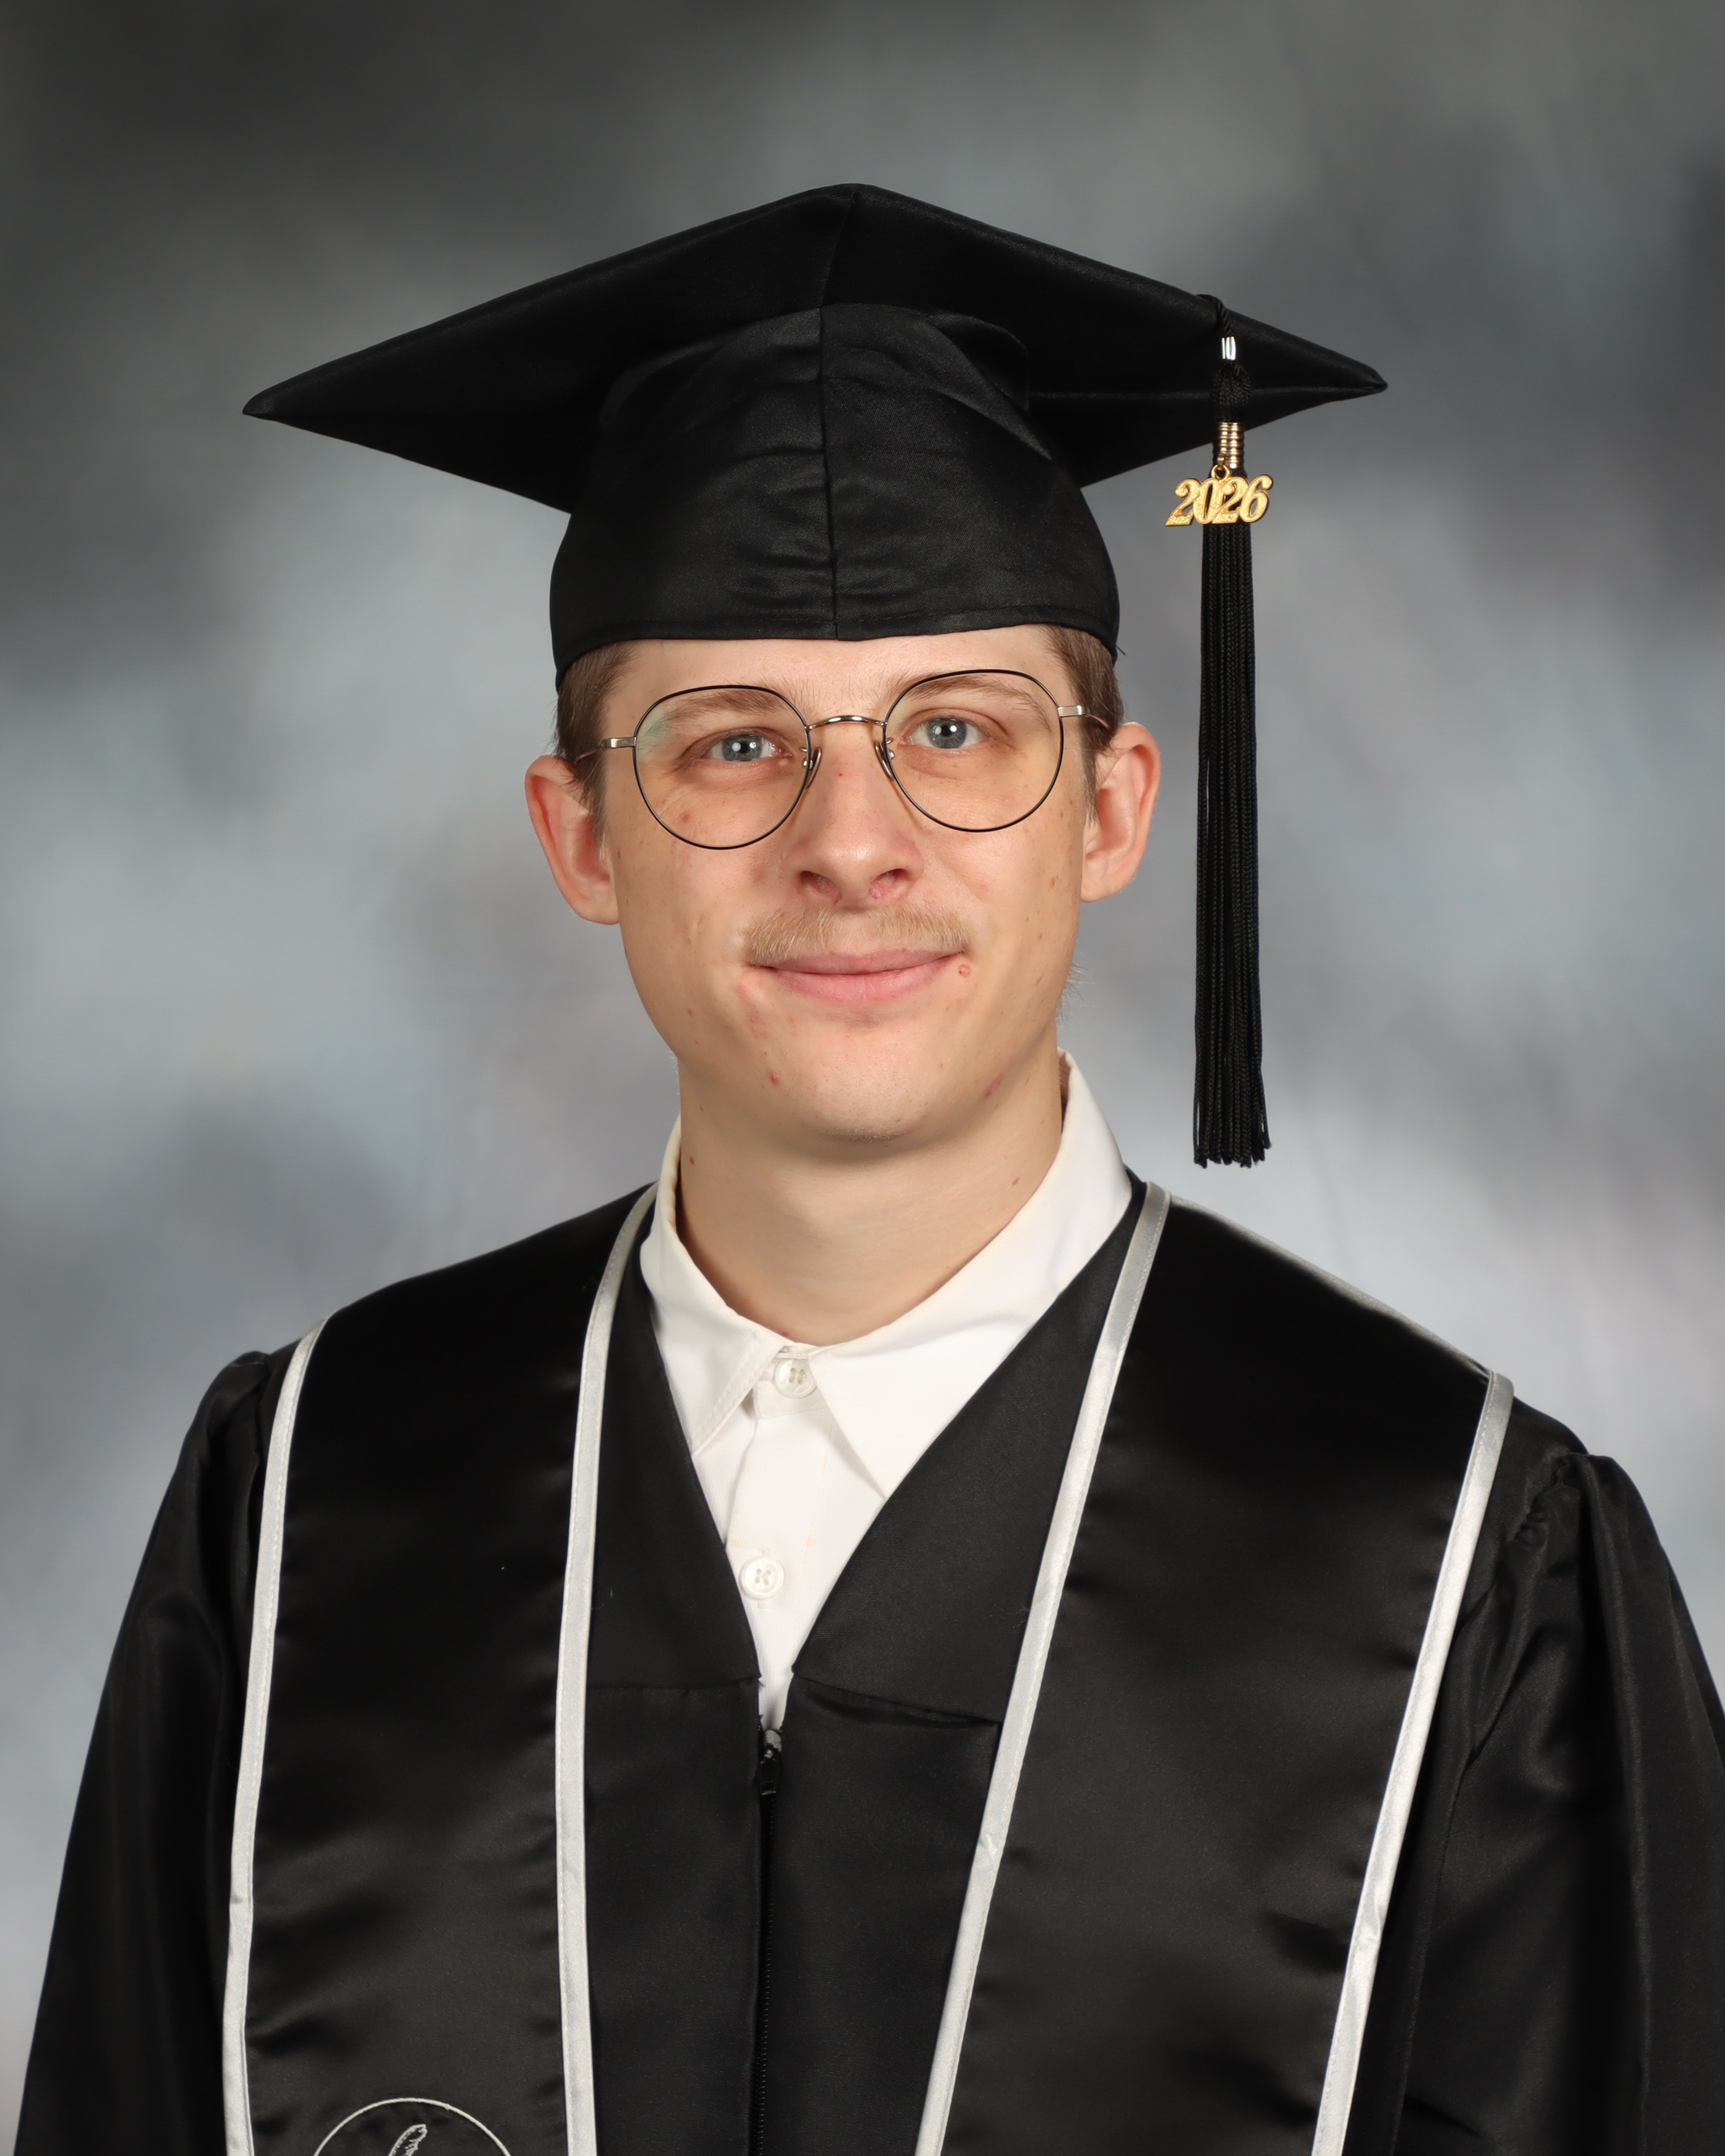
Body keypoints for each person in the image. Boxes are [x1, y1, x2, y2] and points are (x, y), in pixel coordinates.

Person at [18, 185, 1725, 2156]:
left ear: (1110, 809)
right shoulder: (313, 1499)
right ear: (580, 836)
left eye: (958, 729)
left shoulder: (1447, 1555)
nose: (851, 842)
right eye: (733, 745)